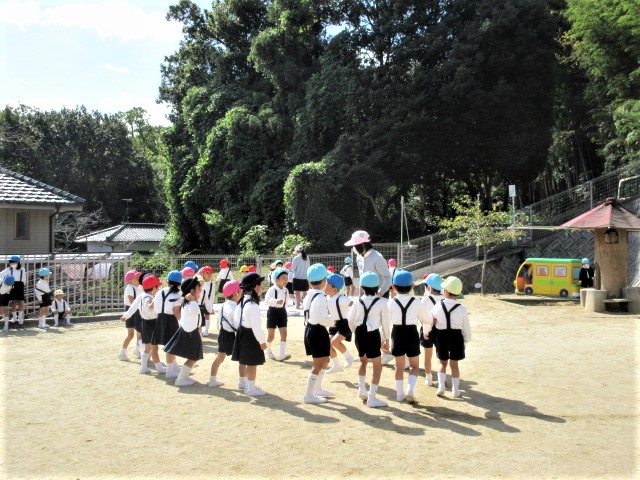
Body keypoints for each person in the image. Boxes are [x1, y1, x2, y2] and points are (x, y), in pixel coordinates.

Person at [345, 231, 392, 364]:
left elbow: (387, 278)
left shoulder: (378, 257)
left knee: (380, 324)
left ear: (362, 244)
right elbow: (362, 277)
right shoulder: (359, 257)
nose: (353, 248)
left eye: (355, 245)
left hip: (379, 295)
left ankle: (386, 352)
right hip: (366, 296)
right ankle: (367, 353)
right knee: (366, 323)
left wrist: (379, 294)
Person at [347, 271, 390, 408]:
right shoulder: (382, 302)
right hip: (373, 334)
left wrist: (356, 331)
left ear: (362, 287)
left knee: (363, 361)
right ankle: (372, 398)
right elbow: (385, 322)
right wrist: (387, 339)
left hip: (359, 332)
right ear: (377, 287)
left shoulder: (356, 301)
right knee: (377, 366)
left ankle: (361, 389)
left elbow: (350, 320)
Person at [388, 270, 429, 403]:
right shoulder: (417, 302)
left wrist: (384, 338)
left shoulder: (391, 302)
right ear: (412, 286)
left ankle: (400, 394)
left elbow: (386, 321)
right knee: (414, 366)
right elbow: (425, 319)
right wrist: (432, 319)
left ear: (393, 287)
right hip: (412, 333)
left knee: (399, 367)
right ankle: (410, 389)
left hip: (397, 333)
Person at [430, 276, 471, 398]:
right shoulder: (462, 309)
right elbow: (466, 328)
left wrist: (427, 332)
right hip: (456, 337)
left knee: (442, 363)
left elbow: (431, 319)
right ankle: (455, 390)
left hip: (441, 336)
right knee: (454, 365)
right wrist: (465, 340)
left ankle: (441, 387)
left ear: (446, 292)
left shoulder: (438, 305)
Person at [231, 272, 268, 396]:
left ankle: (245, 384)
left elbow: (236, 318)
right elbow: (256, 327)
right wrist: (262, 341)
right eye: (260, 285)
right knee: (252, 363)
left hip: (242, 332)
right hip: (251, 335)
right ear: (255, 287)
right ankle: (251, 388)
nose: (261, 288)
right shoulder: (252, 305)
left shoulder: (242, 300)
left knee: (244, 360)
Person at [302, 264, 334, 404]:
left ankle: (317, 388)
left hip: (311, 329)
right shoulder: (320, 297)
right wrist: (333, 321)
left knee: (325, 359)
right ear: (324, 281)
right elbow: (322, 319)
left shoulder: (309, 294)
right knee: (318, 364)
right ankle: (309, 395)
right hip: (317, 330)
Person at [164, 277, 204, 386]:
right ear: (192, 291)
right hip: (191, 332)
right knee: (193, 357)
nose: (200, 290)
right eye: (198, 288)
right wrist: (192, 300)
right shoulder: (191, 303)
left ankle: (183, 377)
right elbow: (195, 311)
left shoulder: (188, 303)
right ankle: (180, 380)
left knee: (193, 357)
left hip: (189, 330)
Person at [208, 280, 243, 388]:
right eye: (240, 291)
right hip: (232, 335)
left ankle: (212, 380)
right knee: (243, 358)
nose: (242, 293)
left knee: (220, 357)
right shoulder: (235, 308)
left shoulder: (223, 305)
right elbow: (237, 325)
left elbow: (219, 322)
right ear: (236, 294)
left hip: (223, 334)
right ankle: (242, 382)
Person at [152, 270, 183, 378]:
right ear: (180, 283)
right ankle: (170, 371)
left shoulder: (160, 292)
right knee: (171, 346)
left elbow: (153, 306)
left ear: (167, 281)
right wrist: (182, 321)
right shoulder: (178, 294)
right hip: (170, 320)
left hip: (159, 319)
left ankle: (174, 366)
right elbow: (176, 311)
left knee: (163, 344)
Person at [325, 273, 354, 374]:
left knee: (334, 342)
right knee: (327, 344)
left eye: (327, 284)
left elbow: (353, 305)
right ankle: (336, 365)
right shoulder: (327, 298)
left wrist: (353, 317)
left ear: (334, 289)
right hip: (334, 324)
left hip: (344, 324)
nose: (324, 285)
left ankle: (349, 358)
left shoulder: (341, 298)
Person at [138, 274, 165, 375]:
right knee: (154, 348)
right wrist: (155, 301)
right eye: (158, 287)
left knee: (148, 348)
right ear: (154, 289)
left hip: (145, 323)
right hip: (151, 323)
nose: (158, 289)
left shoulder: (143, 296)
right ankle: (159, 368)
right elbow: (149, 306)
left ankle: (143, 367)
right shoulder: (149, 298)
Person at [420, 273, 443, 386]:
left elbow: (424, 318)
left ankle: (428, 378)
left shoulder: (424, 300)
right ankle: (442, 379)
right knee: (441, 356)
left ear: (429, 287)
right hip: (441, 330)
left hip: (427, 330)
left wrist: (425, 331)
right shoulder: (444, 298)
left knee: (427, 355)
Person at [264, 267, 291, 361]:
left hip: (282, 312)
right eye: (283, 278)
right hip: (272, 312)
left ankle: (282, 354)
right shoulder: (272, 289)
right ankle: (268, 350)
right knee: (271, 336)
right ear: (276, 279)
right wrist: (275, 301)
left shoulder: (286, 290)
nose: (285, 280)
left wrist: (284, 310)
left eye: (286, 278)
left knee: (284, 334)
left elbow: (286, 302)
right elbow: (266, 300)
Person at [120, 270, 142, 360]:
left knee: (140, 332)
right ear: (130, 280)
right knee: (131, 334)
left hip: (136, 311)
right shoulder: (130, 288)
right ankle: (122, 353)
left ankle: (136, 350)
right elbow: (132, 301)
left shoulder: (137, 287)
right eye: (136, 278)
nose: (138, 279)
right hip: (131, 310)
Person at [0, 255, 27, 328]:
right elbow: (1, 275)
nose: (12, 264)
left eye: (14, 262)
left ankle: (20, 318)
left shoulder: (22, 269)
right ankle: (15, 317)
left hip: (20, 285)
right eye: (11, 262)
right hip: (12, 285)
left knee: (21, 302)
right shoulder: (8, 269)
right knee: (14, 302)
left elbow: (24, 279)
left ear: (18, 262)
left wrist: (22, 285)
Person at [198, 266, 215, 336]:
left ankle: (206, 331)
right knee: (199, 316)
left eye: (210, 273)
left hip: (207, 302)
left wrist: (210, 304)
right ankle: (200, 331)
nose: (209, 274)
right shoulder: (199, 281)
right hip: (199, 302)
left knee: (207, 315)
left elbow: (212, 295)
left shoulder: (212, 284)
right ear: (203, 273)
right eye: (207, 273)